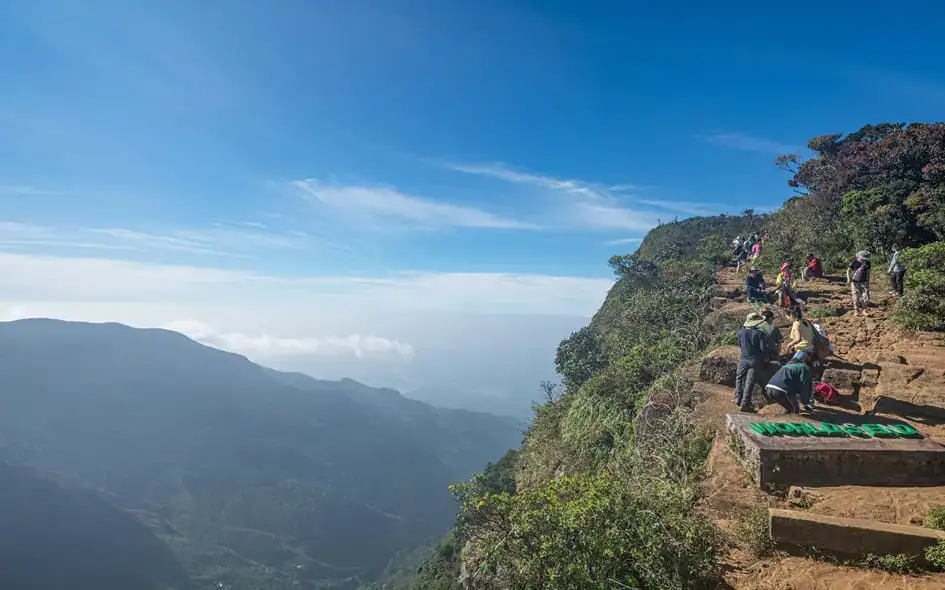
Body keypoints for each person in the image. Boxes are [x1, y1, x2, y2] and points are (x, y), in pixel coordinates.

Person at [733, 312, 768, 413]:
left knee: (739, 378)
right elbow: (762, 348)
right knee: (750, 381)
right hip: (755, 359)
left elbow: (740, 345)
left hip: (743, 358)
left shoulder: (741, 332)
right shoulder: (759, 333)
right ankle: (745, 403)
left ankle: (737, 398)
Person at [847, 250, 872, 317]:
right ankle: (856, 310)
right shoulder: (854, 262)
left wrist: (868, 281)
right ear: (859, 256)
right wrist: (848, 279)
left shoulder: (868, 263)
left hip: (864, 281)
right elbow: (848, 270)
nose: (864, 259)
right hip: (855, 281)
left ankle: (864, 310)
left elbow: (868, 272)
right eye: (863, 257)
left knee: (866, 296)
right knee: (856, 296)